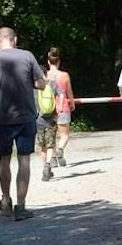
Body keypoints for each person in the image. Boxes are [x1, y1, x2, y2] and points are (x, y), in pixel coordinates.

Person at [0, 27, 46, 219]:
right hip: (25, 116)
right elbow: (41, 84)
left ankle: (6, 199)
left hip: (2, 117)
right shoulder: (27, 56)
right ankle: (21, 207)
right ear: (15, 39)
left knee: (4, 159)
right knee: (24, 160)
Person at [40, 48, 75, 179]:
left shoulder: (45, 76)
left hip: (49, 108)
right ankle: (60, 149)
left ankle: (52, 159)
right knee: (64, 135)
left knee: (51, 136)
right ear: (59, 61)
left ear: (48, 62)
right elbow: (69, 91)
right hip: (63, 107)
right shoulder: (64, 75)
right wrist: (72, 102)